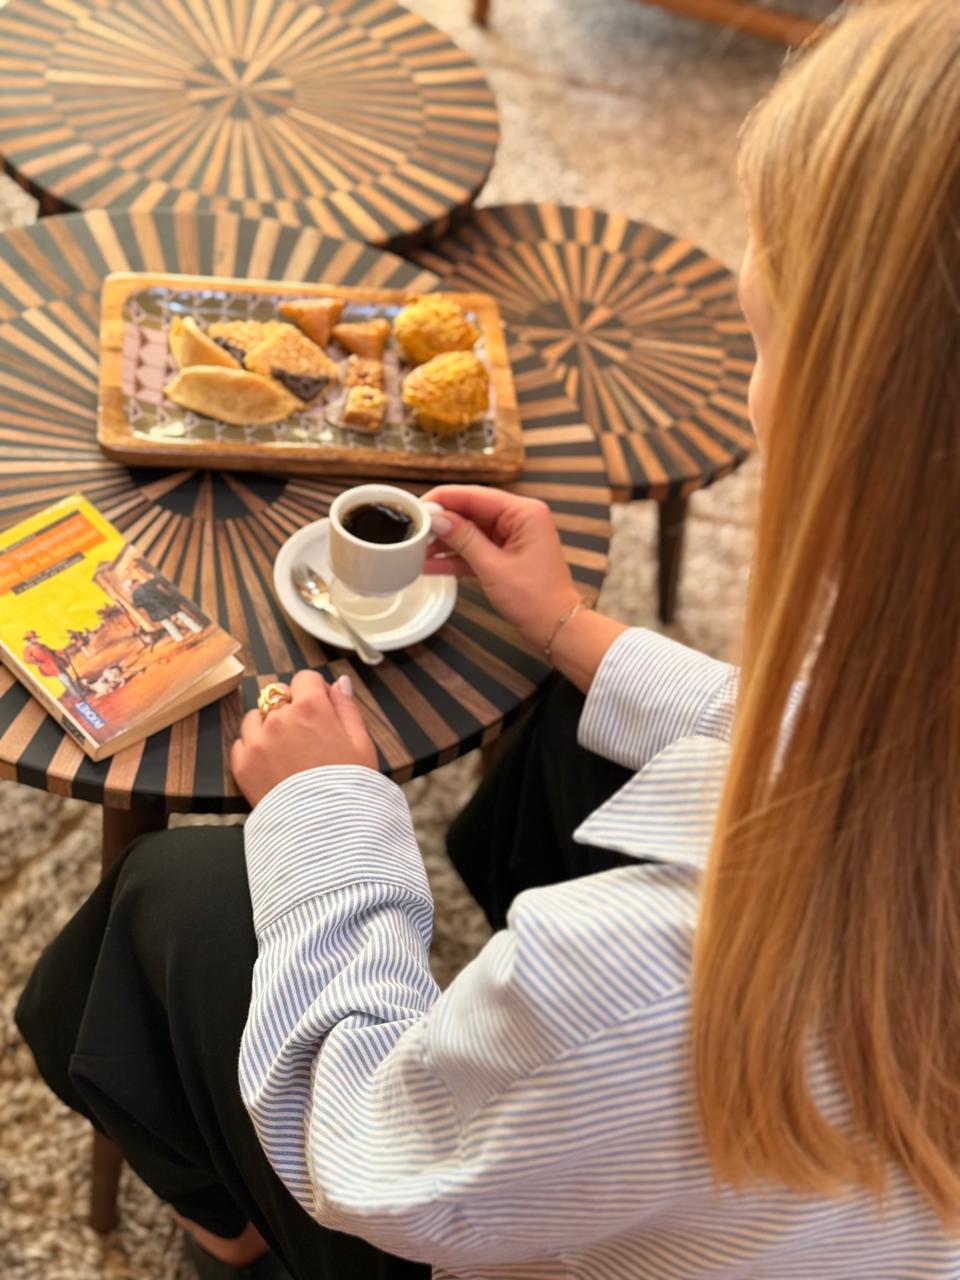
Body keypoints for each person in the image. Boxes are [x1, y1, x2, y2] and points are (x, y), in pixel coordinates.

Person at [15, 2, 960, 1276]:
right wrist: (571, 628)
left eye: (763, 341)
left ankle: (223, 1234)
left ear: (864, 428)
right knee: (580, 710)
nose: (753, 383)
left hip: (463, 1207)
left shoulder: (651, 980)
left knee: (178, 893)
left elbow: (364, 1148)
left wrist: (336, 820)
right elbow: (798, 734)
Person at [21, 629, 85, 700]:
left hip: (57, 663)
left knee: (69, 678)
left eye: (35, 637)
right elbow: (27, 659)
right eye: (33, 638)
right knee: (66, 680)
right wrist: (38, 663)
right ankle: (77, 696)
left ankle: (80, 692)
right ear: (29, 640)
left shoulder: (43, 646)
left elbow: (53, 652)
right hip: (50, 667)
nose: (35, 639)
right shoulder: (28, 650)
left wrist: (65, 649)